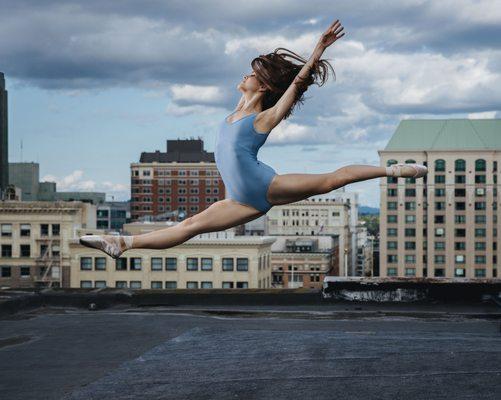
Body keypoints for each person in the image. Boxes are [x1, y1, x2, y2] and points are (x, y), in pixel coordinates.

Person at [80, 19, 427, 259]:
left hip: (263, 186)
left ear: (261, 86)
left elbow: (294, 87)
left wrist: (317, 51)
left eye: (252, 73)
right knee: (188, 227)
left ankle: (394, 171)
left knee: (330, 180)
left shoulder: (262, 118)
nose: (244, 75)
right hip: (241, 200)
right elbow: (255, 88)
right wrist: (255, 78)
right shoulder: (236, 110)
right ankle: (121, 243)